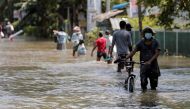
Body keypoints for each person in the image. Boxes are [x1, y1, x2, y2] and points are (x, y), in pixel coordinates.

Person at [125, 27, 161, 91]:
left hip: (153, 67)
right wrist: (126, 58)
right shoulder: (140, 43)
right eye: (146, 33)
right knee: (143, 84)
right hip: (143, 67)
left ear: (152, 34)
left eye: (149, 33)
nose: (148, 35)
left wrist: (150, 61)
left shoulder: (156, 42)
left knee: (153, 86)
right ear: (143, 34)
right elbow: (133, 52)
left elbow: (157, 53)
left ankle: (153, 99)